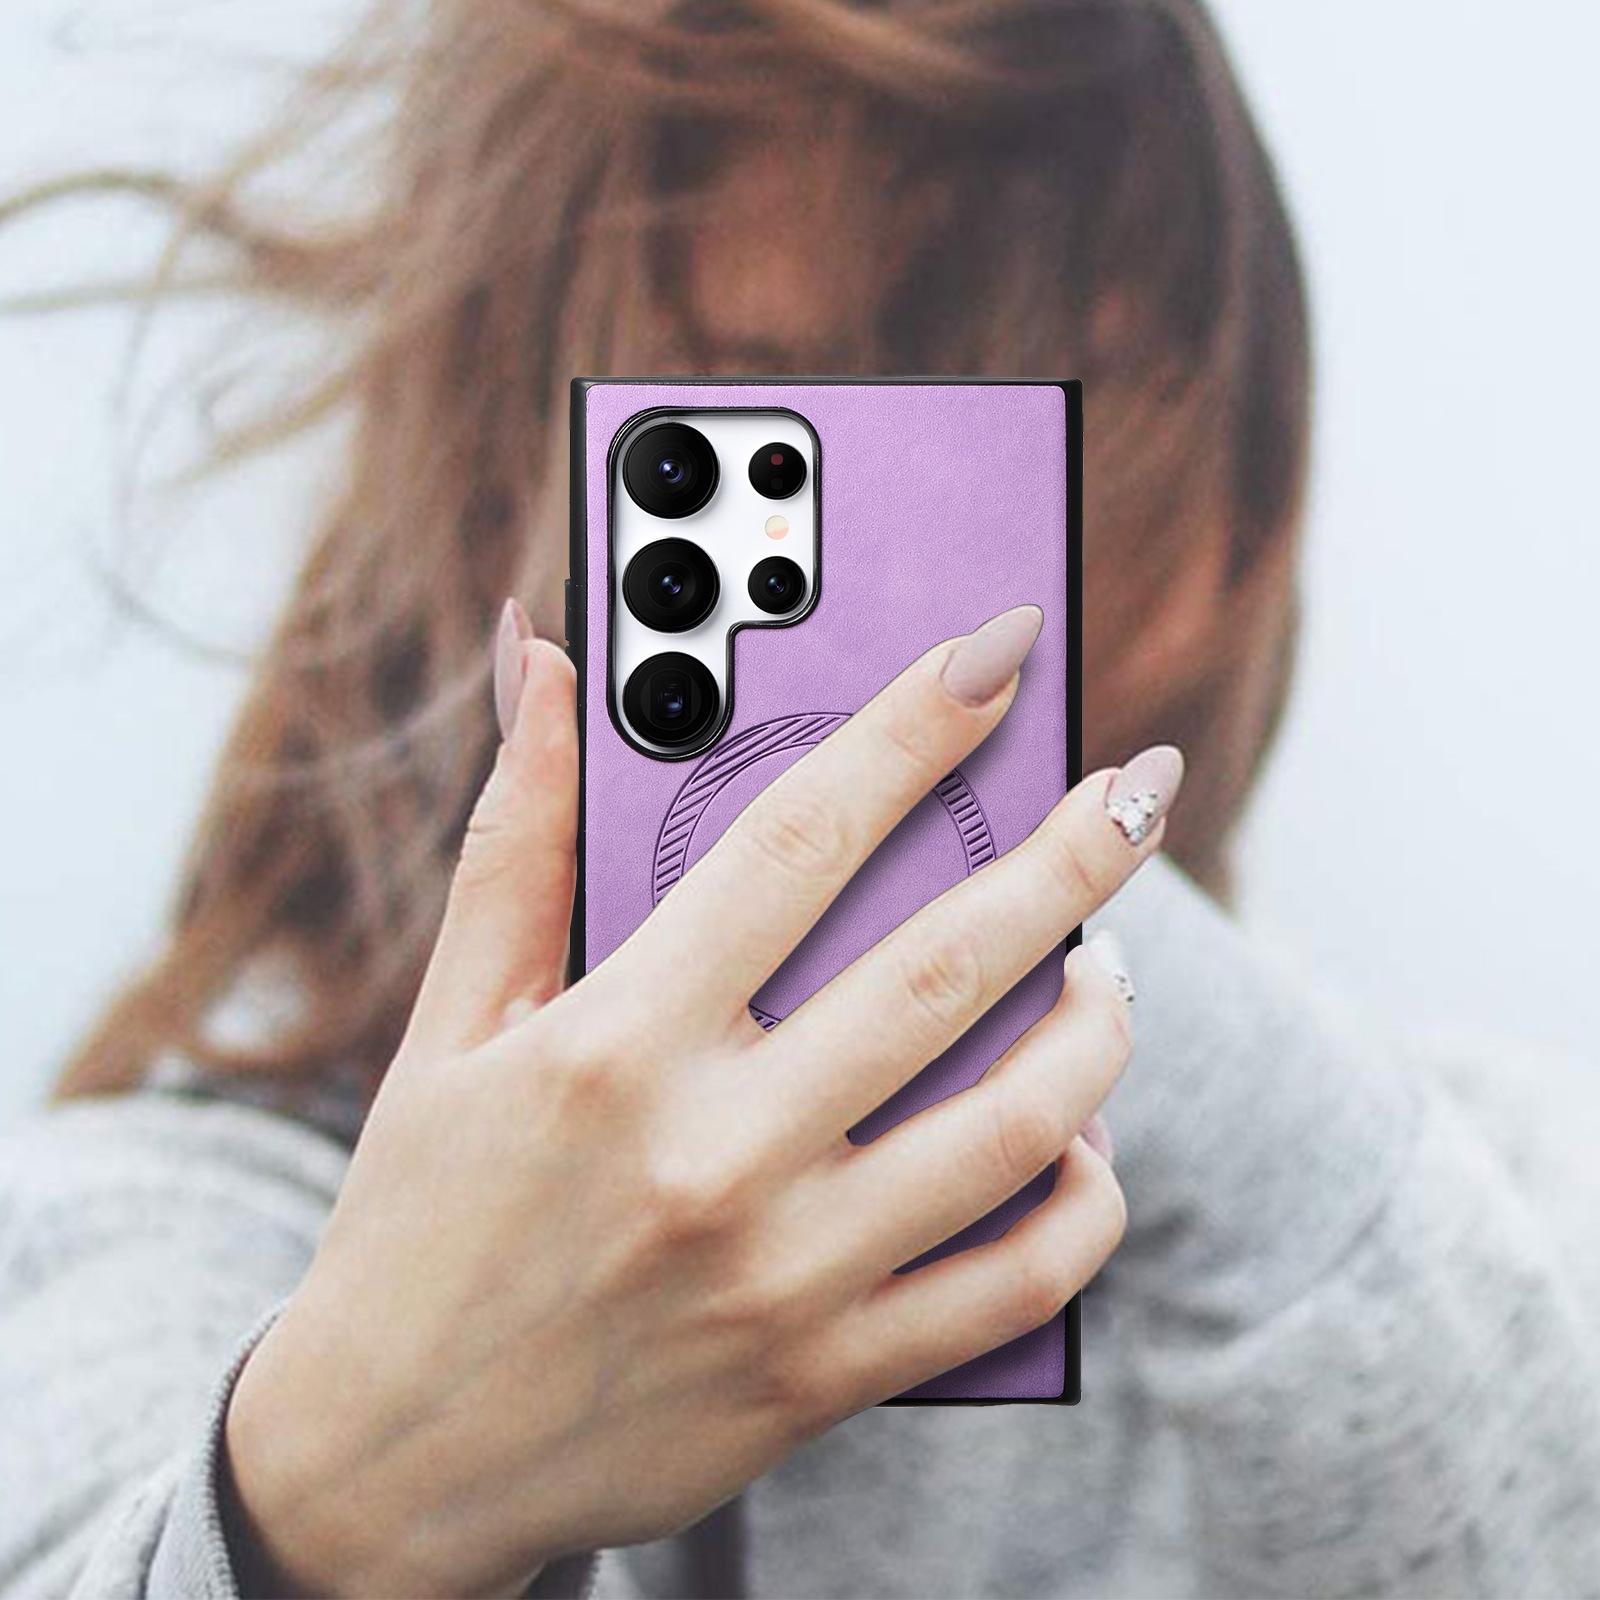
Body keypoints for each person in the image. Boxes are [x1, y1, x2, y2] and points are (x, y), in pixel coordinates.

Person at [3, 1, 1598, 1595]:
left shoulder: (1497, 1192)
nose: (911, 603)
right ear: (511, 491)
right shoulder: (168, 1229)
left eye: (1057, 424)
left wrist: (1113, 961)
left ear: (1240, 516)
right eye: (776, 414)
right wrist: (346, 1503)